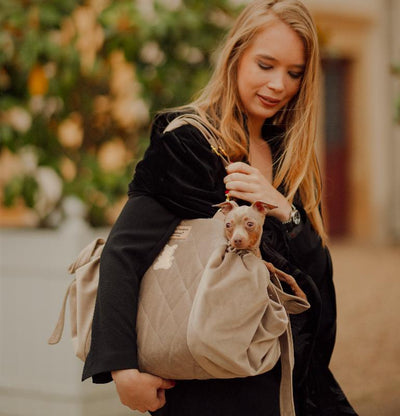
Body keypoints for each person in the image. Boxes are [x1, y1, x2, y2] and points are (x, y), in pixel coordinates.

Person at [82, 0, 358, 415]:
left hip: (287, 378)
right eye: (265, 65)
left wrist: (286, 212)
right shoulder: (190, 143)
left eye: (294, 73)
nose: (279, 84)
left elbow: (317, 273)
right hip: (210, 383)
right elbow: (122, 252)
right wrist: (122, 371)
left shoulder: (290, 153)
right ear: (236, 56)